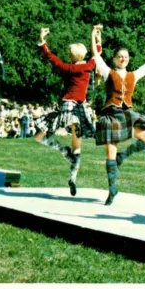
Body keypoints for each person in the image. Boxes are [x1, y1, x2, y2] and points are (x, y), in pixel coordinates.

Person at [91, 25, 145, 206]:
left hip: (128, 113)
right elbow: (96, 56)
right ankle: (112, 189)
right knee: (110, 153)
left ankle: (124, 156)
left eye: (126, 57)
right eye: (120, 56)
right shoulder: (109, 73)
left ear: (128, 60)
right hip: (112, 114)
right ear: (115, 59)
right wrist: (93, 36)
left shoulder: (133, 75)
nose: (123, 59)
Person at [33, 27, 97, 196]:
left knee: (39, 136)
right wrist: (97, 37)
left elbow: (51, 58)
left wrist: (42, 41)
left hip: (67, 107)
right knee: (78, 148)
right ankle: (73, 177)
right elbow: (97, 53)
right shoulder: (89, 66)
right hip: (80, 110)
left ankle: (63, 152)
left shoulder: (68, 68)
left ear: (71, 56)